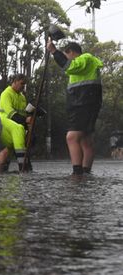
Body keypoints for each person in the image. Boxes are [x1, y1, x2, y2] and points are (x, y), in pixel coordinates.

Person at [47, 40, 103, 175]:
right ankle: (85, 172)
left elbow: (69, 66)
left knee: (71, 137)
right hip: (85, 104)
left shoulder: (85, 58)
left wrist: (54, 51)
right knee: (85, 139)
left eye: (67, 55)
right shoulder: (82, 67)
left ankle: (77, 173)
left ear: (71, 52)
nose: (67, 59)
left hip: (84, 104)